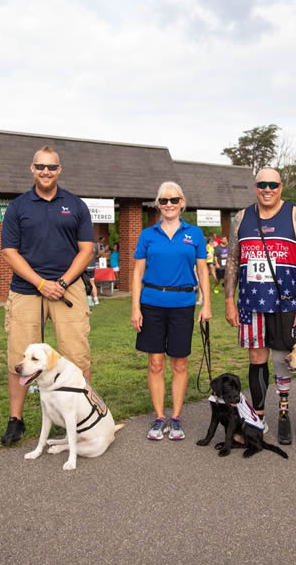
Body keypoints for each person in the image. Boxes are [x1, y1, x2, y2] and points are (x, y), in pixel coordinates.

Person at [0, 145, 94, 446]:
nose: (45, 171)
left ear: (59, 170)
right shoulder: (18, 207)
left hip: (69, 288)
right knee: (20, 357)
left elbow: (87, 250)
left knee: (77, 355)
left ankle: (85, 416)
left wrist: (62, 282)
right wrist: (41, 283)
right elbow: (9, 252)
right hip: (27, 290)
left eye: (51, 167)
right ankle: (16, 419)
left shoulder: (76, 205)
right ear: (32, 168)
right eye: (40, 166)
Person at [223, 167, 296, 445]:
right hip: (251, 302)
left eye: (273, 185)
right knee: (256, 359)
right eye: (262, 184)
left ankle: (284, 411)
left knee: (285, 357)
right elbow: (232, 260)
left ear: (281, 187)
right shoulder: (241, 217)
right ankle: (258, 416)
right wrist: (228, 300)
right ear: (255, 187)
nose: (267, 189)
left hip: (287, 301)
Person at [131, 181, 212, 440]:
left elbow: (202, 271)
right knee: (155, 363)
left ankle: (176, 418)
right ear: (158, 204)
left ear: (182, 203)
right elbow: (137, 272)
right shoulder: (148, 235)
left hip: (183, 305)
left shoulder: (194, 234)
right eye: (163, 200)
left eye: (173, 200)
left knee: (179, 362)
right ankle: (159, 417)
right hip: (152, 304)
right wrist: (135, 308)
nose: (168, 205)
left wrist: (206, 303)